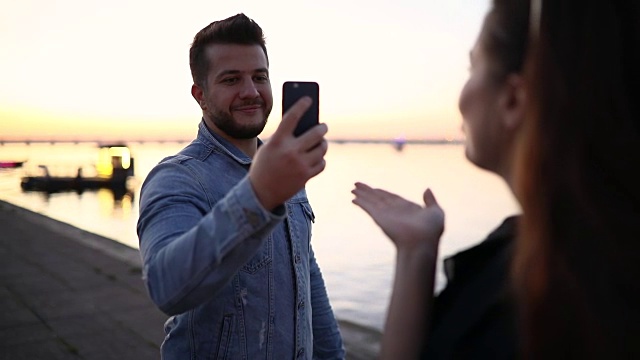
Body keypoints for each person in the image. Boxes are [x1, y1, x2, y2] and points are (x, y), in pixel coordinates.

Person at [353, 0, 640, 358]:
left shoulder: (528, 296)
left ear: (513, 100)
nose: (461, 97)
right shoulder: (578, 245)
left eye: (473, 67)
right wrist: (416, 252)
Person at [137, 13, 345, 359]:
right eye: (231, 79)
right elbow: (165, 286)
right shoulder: (176, 178)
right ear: (200, 94)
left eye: (259, 77)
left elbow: (304, 271)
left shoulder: (282, 168)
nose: (250, 92)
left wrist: (332, 354)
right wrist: (259, 194)